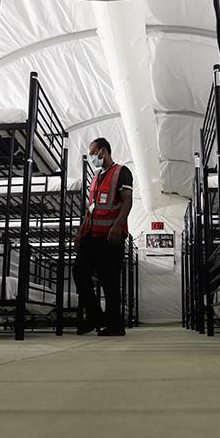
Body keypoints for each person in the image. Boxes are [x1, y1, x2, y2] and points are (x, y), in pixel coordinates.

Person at [73, 137, 133, 336]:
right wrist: (80, 232)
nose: (91, 157)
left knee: (110, 281)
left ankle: (115, 326)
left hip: (110, 237)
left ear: (103, 152)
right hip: (91, 236)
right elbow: (90, 210)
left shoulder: (121, 172)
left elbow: (127, 201)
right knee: (79, 272)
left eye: (93, 153)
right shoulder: (96, 178)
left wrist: (117, 227)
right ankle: (95, 316)